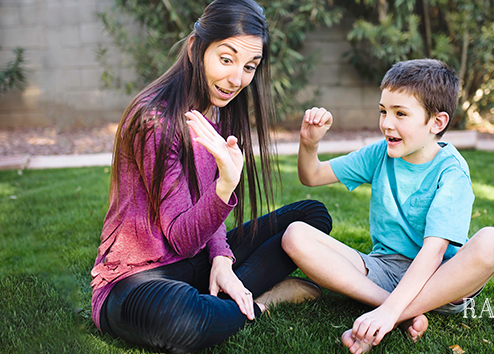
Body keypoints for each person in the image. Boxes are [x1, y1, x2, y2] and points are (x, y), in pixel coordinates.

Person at [89, 0, 332, 352]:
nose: (237, 79)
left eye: (250, 66)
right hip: (138, 279)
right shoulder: (154, 120)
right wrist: (224, 188)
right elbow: (181, 238)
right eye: (226, 59)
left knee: (311, 217)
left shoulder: (219, 110)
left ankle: (224, 290)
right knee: (183, 320)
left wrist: (221, 258)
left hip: (195, 260)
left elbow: (203, 226)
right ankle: (263, 301)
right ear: (194, 49)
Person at [282, 59, 494, 353]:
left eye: (400, 113)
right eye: (383, 111)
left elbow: (434, 252)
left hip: (439, 281)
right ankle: (397, 311)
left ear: (437, 123)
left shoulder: (451, 171)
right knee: (295, 235)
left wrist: (387, 315)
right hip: (383, 270)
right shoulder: (380, 154)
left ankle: (391, 312)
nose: (386, 123)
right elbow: (311, 175)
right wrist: (309, 144)